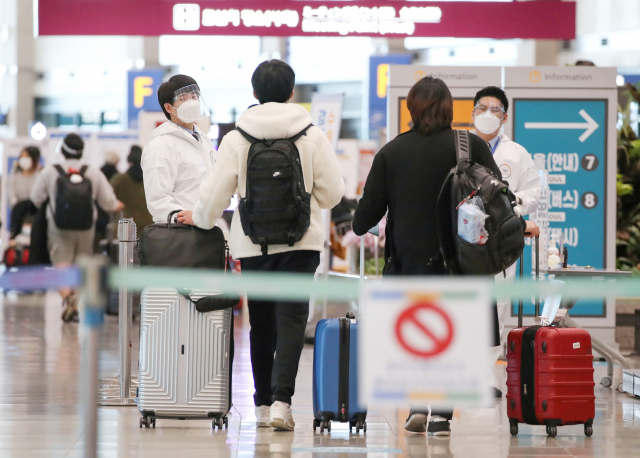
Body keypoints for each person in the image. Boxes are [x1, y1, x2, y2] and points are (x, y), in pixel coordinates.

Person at [351, 76, 539, 436]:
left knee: (416, 335)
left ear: (412, 108)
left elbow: (362, 221)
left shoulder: (392, 152)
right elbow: (501, 204)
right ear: (450, 108)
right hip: (461, 264)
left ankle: (418, 404)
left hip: (409, 264)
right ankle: (441, 415)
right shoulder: (471, 147)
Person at [177, 60, 345, 431]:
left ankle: (262, 407)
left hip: (253, 244)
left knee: (262, 325)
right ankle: (284, 402)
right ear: (291, 93)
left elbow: (214, 196)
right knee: (291, 322)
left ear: (254, 93)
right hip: (301, 243)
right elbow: (333, 193)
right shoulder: (312, 134)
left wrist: (199, 218)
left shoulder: (237, 137)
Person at [471, 86, 542, 394]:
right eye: (481, 108)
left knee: (496, 307)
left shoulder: (517, 154)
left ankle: (485, 377)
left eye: (495, 110)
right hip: (466, 240)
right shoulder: (460, 147)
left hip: (502, 241)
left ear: (505, 117)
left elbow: (533, 194)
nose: (488, 114)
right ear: (472, 112)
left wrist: (508, 204)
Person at [30, 133, 124, 322]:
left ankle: (67, 299)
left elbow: (36, 198)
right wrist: (118, 205)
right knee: (81, 264)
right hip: (86, 227)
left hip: (58, 227)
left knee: (61, 264)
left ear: (63, 150)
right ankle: (76, 299)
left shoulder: (50, 171)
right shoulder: (92, 172)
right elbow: (109, 202)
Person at [141, 74, 216, 223]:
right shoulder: (160, 145)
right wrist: (181, 217)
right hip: (180, 232)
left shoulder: (204, 140)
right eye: (183, 99)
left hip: (205, 227)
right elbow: (158, 199)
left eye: (194, 96)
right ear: (169, 107)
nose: (192, 102)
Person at [111, 145, 153, 232]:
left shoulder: (120, 179)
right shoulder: (151, 179)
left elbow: (109, 197)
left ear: (129, 162)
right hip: (148, 225)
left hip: (127, 225)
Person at [8, 146, 41, 240]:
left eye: (27, 156)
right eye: (22, 156)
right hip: (18, 213)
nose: (24, 159)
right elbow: (11, 193)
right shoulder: (14, 175)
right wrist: (17, 206)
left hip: (34, 212)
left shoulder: (39, 176)